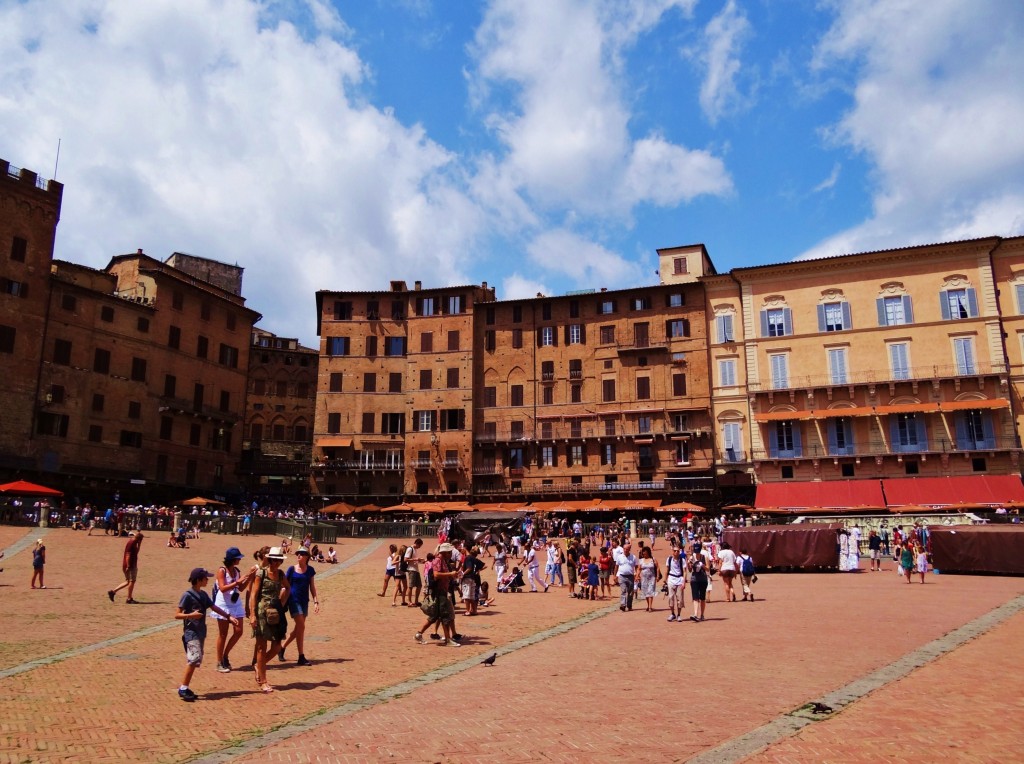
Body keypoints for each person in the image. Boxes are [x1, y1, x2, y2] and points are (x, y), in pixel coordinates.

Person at [176, 567, 241, 701]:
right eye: (205, 578)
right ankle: (183, 688)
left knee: (196, 660)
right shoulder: (187, 595)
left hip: (201, 632)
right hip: (191, 633)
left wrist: (228, 617)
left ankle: (185, 687)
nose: (207, 580)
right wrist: (190, 615)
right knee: (194, 659)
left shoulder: (203, 595)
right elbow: (177, 614)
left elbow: (214, 607)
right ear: (199, 580)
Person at [249, 546, 288, 693]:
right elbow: (254, 594)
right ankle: (263, 681)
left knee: (277, 645)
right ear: (270, 559)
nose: (277, 563)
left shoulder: (281, 574)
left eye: (279, 560)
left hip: (275, 612)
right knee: (261, 646)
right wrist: (252, 614)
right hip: (261, 612)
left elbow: (287, 588)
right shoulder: (261, 573)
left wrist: (281, 602)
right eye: (275, 560)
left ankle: (259, 666)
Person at [213, 546, 251, 673]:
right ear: (232, 559)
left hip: (235, 603)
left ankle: (225, 655)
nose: (239, 560)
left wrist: (248, 579)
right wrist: (237, 582)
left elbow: (240, 588)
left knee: (239, 631)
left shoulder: (237, 571)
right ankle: (219, 662)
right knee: (223, 634)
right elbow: (223, 588)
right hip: (223, 604)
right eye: (238, 558)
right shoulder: (222, 571)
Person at [415, 544, 462, 646]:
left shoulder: (444, 561)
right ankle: (448, 639)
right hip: (439, 591)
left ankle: (419, 634)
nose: (450, 554)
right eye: (449, 552)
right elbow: (436, 575)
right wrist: (450, 574)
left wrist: (452, 575)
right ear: (444, 552)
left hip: (443, 590)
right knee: (445, 615)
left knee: (435, 616)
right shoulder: (438, 560)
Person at [279, 547, 319, 666]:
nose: (299, 555)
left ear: (307, 557)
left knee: (298, 628)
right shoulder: (291, 569)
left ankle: (282, 647)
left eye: (302, 554)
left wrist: (316, 601)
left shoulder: (310, 570)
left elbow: (312, 587)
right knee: (301, 626)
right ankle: (301, 656)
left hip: (304, 601)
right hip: (293, 601)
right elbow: (284, 585)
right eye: (298, 554)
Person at [108, 531, 144, 604]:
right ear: (139, 539)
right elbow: (128, 555)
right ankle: (129, 598)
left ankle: (113, 592)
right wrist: (128, 566)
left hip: (129, 564)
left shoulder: (133, 542)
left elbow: (136, 552)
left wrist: (139, 545)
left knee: (128, 581)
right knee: (132, 581)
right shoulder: (132, 543)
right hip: (130, 565)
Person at [613, 541, 638, 612]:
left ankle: (629, 605)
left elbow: (636, 567)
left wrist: (637, 575)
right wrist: (614, 576)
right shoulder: (619, 557)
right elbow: (616, 567)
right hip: (622, 576)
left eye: (627, 549)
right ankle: (623, 605)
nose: (625, 550)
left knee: (630, 592)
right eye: (624, 549)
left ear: (629, 549)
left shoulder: (633, 557)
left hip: (630, 576)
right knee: (623, 590)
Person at [665, 543, 687, 621]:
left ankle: (679, 614)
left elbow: (685, 571)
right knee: (671, 598)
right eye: (675, 551)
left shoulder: (682, 560)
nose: (676, 552)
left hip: (679, 579)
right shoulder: (669, 559)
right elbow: (667, 570)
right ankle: (672, 613)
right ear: (672, 551)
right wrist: (665, 580)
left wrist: (684, 582)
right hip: (671, 579)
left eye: (678, 551)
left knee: (680, 599)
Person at [689, 543, 710, 621]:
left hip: (703, 579)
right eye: (695, 551)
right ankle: (695, 614)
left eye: (698, 551)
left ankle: (702, 614)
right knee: (695, 598)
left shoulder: (704, 557)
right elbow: (690, 570)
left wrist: (703, 565)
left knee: (702, 598)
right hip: (694, 579)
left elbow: (708, 568)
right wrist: (689, 564)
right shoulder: (692, 557)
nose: (697, 552)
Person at [637, 546, 660, 612]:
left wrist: (657, 576)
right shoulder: (641, 560)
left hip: (652, 578)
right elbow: (639, 569)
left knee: (650, 591)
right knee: (645, 592)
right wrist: (637, 576)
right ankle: (648, 605)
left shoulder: (653, 559)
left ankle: (650, 607)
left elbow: (658, 567)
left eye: (645, 552)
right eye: (643, 553)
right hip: (644, 578)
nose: (644, 554)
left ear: (648, 552)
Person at [405, 538, 425, 606]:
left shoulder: (415, 550)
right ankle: (409, 601)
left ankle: (416, 600)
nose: (419, 547)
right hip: (411, 569)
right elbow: (406, 559)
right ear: (417, 543)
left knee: (419, 585)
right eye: (420, 545)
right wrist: (416, 559)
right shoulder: (410, 549)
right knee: (410, 586)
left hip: (416, 569)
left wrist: (420, 561)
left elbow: (414, 560)